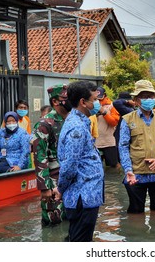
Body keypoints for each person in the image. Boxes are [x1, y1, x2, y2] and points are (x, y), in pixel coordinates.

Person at [53, 80, 104, 242]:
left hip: (86, 195)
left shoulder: (81, 122)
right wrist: (61, 188)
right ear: (83, 102)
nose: (97, 103)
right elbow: (69, 165)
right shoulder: (77, 127)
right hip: (82, 196)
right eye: (95, 100)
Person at [118, 79, 155, 213]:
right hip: (136, 174)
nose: (148, 99)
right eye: (144, 97)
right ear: (136, 100)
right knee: (136, 211)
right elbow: (123, 146)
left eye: (150, 96)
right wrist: (128, 170)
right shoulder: (127, 119)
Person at [31, 84, 71, 226]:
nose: (70, 100)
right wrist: (44, 187)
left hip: (72, 179)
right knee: (53, 222)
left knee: (73, 222)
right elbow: (40, 156)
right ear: (55, 101)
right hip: (53, 180)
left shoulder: (74, 120)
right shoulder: (45, 124)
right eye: (66, 98)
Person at [95, 87, 120, 169]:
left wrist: (104, 113)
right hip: (94, 142)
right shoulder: (90, 106)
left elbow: (114, 122)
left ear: (105, 95)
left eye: (100, 98)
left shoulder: (111, 106)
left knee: (114, 166)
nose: (98, 100)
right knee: (95, 166)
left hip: (108, 141)